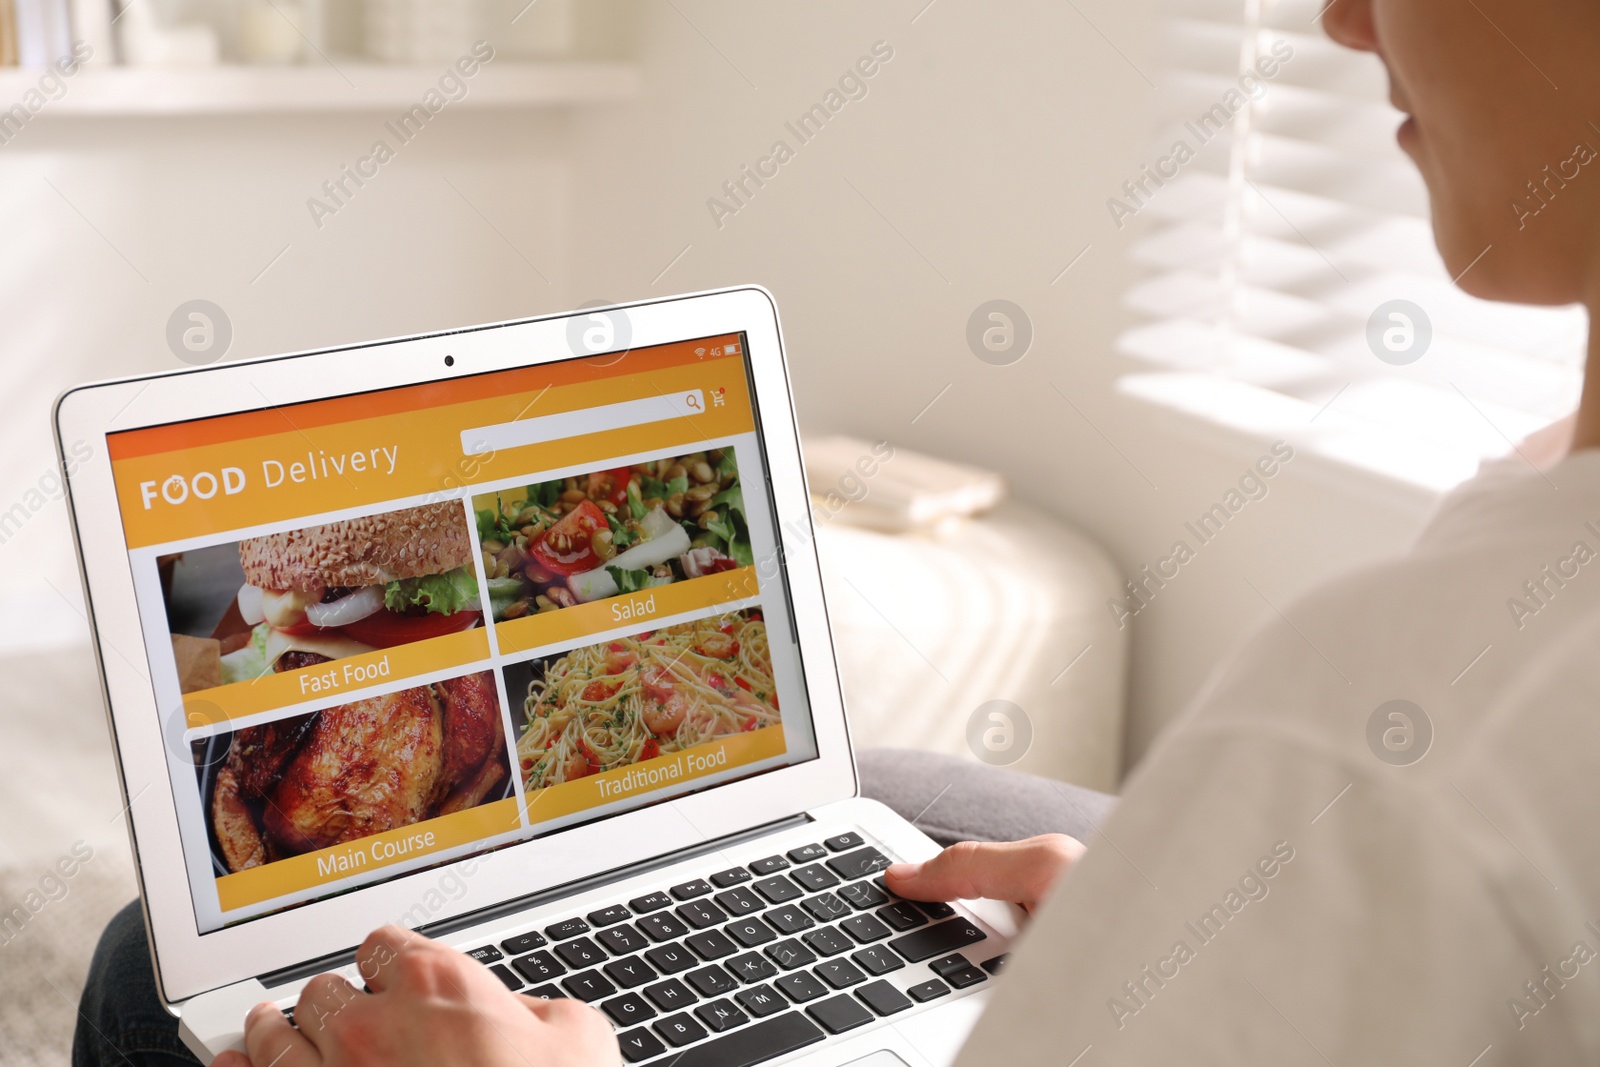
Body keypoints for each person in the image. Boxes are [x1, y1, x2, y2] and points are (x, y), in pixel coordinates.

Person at [75, 0, 1600, 1061]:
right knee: (882, 799)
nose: (1344, 20)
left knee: (161, 971)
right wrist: (1178, 927)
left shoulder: (1402, 710)